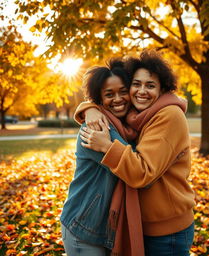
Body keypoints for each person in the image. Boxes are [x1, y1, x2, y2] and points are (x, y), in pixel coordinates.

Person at [76, 50, 195, 256]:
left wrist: (107, 147)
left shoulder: (168, 116)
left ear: (163, 88)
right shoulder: (139, 116)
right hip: (145, 225)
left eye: (150, 85)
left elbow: (142, 172)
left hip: (168, 231)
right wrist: (89, 108)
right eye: (136, 84)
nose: (141, 91)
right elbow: (108, 100)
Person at [60, 58, 144, 256]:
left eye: (123, 91)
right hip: (83, 227)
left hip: (102, 228)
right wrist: (89, 109)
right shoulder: (97, 128)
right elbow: (138, 170)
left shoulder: (128, 126)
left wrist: (87, 108)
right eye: (109, 94)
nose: (117, 99)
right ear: (99, 99)